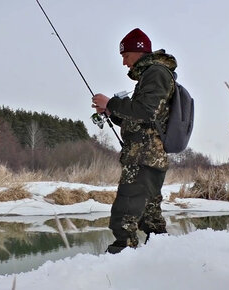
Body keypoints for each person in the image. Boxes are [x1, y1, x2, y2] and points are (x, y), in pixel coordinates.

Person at [91, 28, 177, 254]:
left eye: (125, 56)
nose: (124, 63)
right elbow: (143, 119)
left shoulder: (156, 73)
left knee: (124, 216)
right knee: (150, 217)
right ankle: (163, 258)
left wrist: (112, 103)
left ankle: (119, 264)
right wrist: (112, 113)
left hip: (144, 157)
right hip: (148, 156)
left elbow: (146, 111)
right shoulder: (152, 74)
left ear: (138, 52)